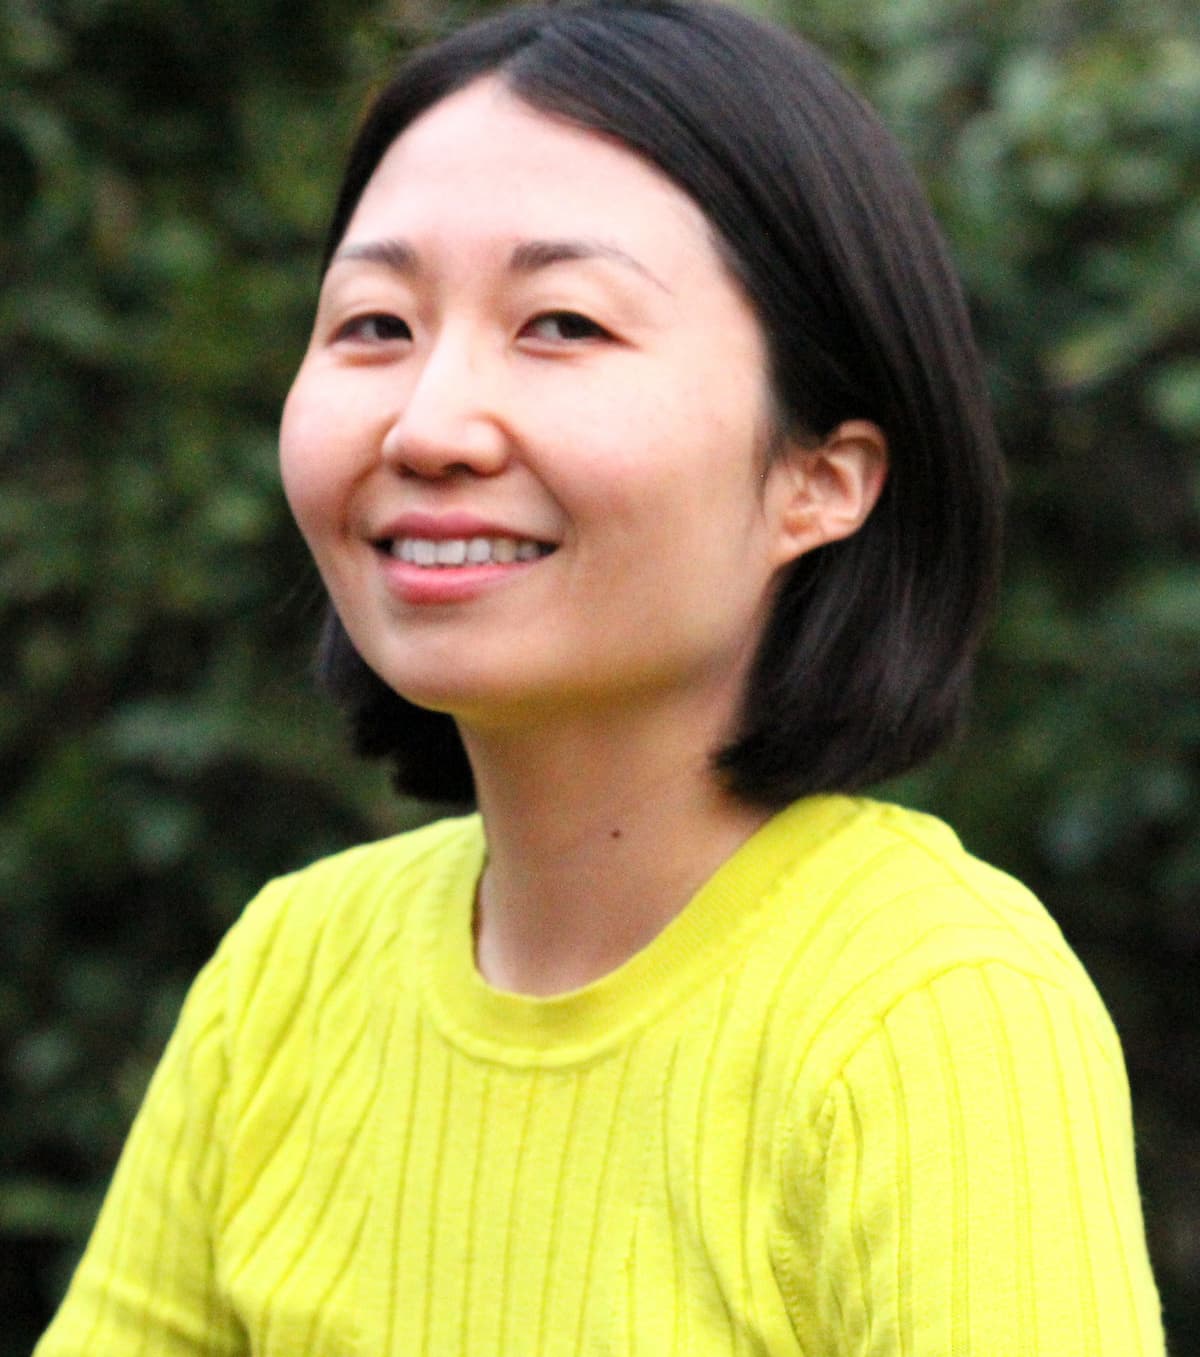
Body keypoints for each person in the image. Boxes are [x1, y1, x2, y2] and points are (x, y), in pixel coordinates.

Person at [37, 1, 1164, 1352]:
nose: (430, 424)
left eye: (561, 323)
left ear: (820, 478)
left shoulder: (928, 1010)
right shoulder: (289, 978)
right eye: (376, 324)